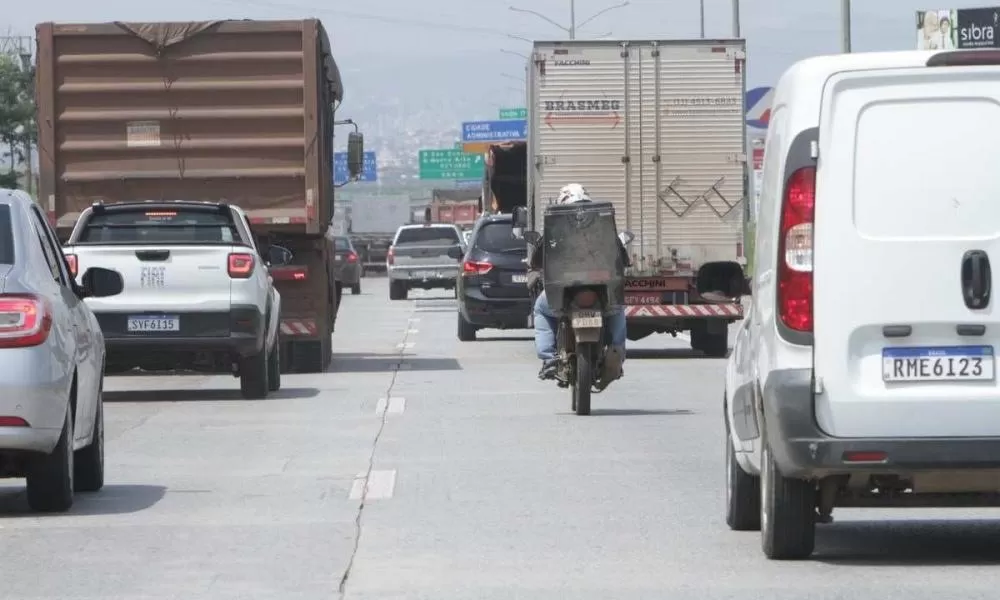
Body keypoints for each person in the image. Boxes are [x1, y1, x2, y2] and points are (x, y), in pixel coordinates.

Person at [528, 183, 629, 383]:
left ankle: (549, 358)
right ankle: (617, 352)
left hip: (565, 290)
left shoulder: (556, 228)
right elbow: (623, 258)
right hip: (600, 290)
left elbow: (537, 260)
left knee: (540, 309)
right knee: (617, 309)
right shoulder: (602, 225)